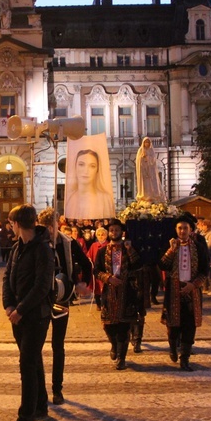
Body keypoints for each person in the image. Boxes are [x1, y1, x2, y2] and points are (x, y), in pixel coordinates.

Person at [1, 204, 55, 421]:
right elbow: (7, 277)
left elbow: (42, 286)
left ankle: (25, 420)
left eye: (11, 223)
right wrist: (9, 305)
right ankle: (40, 406)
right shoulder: (17, 247)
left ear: (17, 223)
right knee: (33, 361)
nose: (10, 227)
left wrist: (21, 309)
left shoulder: (43, 250)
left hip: (35, 316)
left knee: (27, 364)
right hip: (18, 315)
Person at [37, 207, 92, 405]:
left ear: (56, 225)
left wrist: (81, 283)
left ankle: (57, 388)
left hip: (61, 299)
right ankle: (39, 390)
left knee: (57, 345)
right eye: (44, 227)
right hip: (40, 302)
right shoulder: (36, 243)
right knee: (36, 347)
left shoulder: (67, 243)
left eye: (51, 227)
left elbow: (86, 264)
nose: (48, 231)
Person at [159, 215, 209, 371]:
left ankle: (185, 359)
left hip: (192, 290)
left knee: (190, 325)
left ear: (191, 229)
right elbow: (162, 265)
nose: (182, 231)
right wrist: (171, 251)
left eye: (185, 228)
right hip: (174, 290)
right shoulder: (170, 245)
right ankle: (173, 346)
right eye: (180, 228)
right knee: (173, 324)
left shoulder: (199, 247)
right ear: (176, 230)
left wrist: (193, 285)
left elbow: (205, 270)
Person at [94, 219, 144, 370]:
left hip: (127, 291)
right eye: (111, 230)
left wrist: (129, 250)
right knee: (108, 325)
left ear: (121, 233)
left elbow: (138, 265)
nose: (114, 233)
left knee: (124, 325)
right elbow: (96, 270)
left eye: (116, 230)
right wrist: (108, 278)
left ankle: (121, 357)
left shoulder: (129, 249)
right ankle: (114, 346)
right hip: (109, 291)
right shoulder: (102, 251)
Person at [64, 149, 115, 220]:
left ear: (97, 170)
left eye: (92, 166)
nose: (86, 171)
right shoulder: (71, 200)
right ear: (75, 167)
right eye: (81, 165)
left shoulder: (106, 199)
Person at [135, 137, 166, 203]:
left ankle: (153, 196)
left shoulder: (151, 150)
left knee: (152, 184)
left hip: (151, 171)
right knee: (145, 185)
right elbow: (138, 161)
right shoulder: (140, 150)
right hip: (143, 171)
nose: (147, 144)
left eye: (148, 142)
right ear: (143, 143)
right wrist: (143, 158)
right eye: (145, 142)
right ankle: (144, 197)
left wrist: (148, 158)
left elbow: (153, 160)